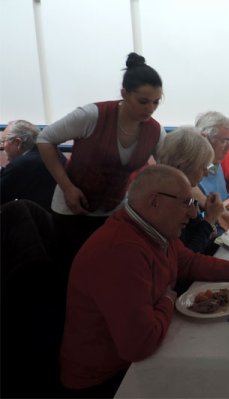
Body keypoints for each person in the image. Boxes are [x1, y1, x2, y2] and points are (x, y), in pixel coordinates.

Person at [59, 165, 229, 397]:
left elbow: (188, 262)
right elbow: (139, 344)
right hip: (109, 379)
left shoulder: (151, 230)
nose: (192, 213)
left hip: (135, 357)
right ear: (154, 201)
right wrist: (169, 298)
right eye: (186, 203)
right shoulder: (120, 251)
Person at [37, 52, 166, 269]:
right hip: (70, 211)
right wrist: (67, 187)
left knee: (105, 272)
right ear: (124, 94)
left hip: (112, 211)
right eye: (143, 101)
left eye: (156, 102)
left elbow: (171, 170)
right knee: (72, 271)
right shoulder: (92, 115)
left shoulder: (155, 131)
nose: (150, 109)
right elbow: (44, 139)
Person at [157, 125, 229, 255]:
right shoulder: (168, 201)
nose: (206, 174)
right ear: (183, 165)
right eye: (202, 167)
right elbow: (188, 256)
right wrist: (210, 219)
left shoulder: (182, 191)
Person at [1, 120, 66, 209]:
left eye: (4, 141)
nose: (2, 146)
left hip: (44, 219)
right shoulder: (51, 153)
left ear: (17, 142)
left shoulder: (21, 164)